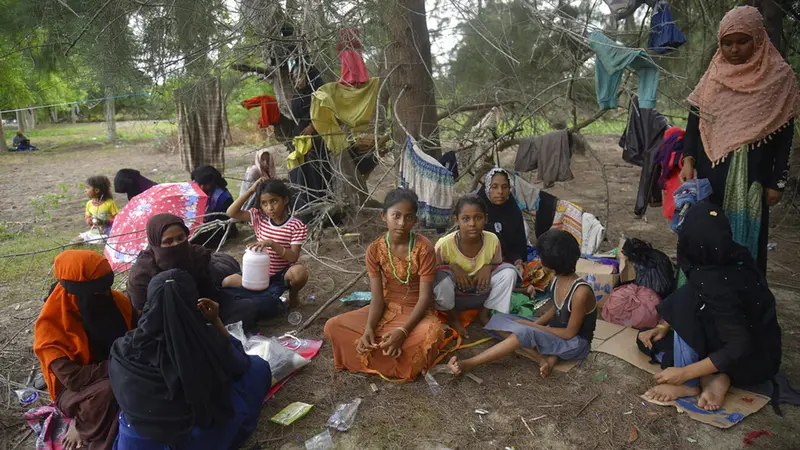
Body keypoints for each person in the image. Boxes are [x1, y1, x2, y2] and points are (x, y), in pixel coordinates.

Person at [678, 6, 799, 274]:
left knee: (743, 240)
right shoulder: (713, 76)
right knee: (706, 231)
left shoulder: (780, 78)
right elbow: (694, 122)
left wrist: (777, 181)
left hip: (751, 178)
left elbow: (785, 135)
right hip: (710, 175)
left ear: (758, 38)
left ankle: (743, 298)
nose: (734, 49)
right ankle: (702, 295)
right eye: (728, 43)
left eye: (742, 41)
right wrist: (688, 160)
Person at [640, 202, 781, 411]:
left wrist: (683, 373)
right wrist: (663, 326)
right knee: (678, 311)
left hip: (746, 362)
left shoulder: (713, 282)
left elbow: (738, 345)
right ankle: (715, 376)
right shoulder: (735, 254)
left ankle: (689, 386)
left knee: (682, 311)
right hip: (765, 353)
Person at [110, 270, 271, 449]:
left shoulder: (121, 348)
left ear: (150, 302)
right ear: (195, 301)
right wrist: (216, 320)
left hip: (136, 442)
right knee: (258, 368)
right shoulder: (206, 342)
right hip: (192, 441)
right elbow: (240, 362)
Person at [324, 188, 444, 381]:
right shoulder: (374, 250)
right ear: (383, 216)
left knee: (430, 334)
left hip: (416, 311)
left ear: (415, 220)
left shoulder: (424, 248)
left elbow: (425, 297)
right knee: (333, 326)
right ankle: (389, 354)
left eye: (408, 217)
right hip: (386, 308)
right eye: (396, 216)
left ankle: (383, 353)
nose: (401, 223)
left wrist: (404, 332)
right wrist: (369, 329)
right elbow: (378, 298)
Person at [447, 229, 596, 379]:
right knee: (498, 319)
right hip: (554, 330)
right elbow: (555, 309)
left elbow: (569, 333)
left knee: (523, 332)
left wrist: (532, 326)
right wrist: (535, 324)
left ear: (551, 266)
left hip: (575, 343)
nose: (538, 260)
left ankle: (470, 363)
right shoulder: (557, 278)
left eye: (540, 257)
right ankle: (543, 358)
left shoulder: (580, 293)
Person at [33, 250, 137, 450]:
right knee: (109, 390)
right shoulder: (51, 327)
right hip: (75, 390)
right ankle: (85, 429)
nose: (106, 295)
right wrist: (120, 366)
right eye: (97, 292)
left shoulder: (118, 303)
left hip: (120, 369)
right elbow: (73, 379)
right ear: (75, 293)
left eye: (107, 288)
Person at [433, 195, 517, 337]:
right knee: (440, 278)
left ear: (486, 218)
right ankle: (453, 318)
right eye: (466, 219)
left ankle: (485, 313)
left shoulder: (492, 239)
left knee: (509, 272)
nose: (472, 224)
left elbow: (498, 266)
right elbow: (434, 275)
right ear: (457, 220)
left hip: (482, 293)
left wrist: (488, 266)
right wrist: (453, 267)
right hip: (455, 298)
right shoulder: (444, 244)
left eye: (478, 218)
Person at [225, 179, 309, 310]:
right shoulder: (259, 218)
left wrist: (271, 244)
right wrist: (251, 190)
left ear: (285, 200)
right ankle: (259, 295)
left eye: (274, 201)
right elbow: (231, 213)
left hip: (280, 275)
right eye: (264, 203)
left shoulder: (296, 226)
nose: (270, 208)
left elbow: (293, 257)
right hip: (257, 273)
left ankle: (293, 296)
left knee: (299, 273)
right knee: (227, 282)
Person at [477, 168, 528, 270]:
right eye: (494, 187)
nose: (500, 192)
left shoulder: (513, 211)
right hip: (478, 265)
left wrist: (518, 261)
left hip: (508, 265)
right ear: (487, 188)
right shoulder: (476, 210)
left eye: (504, 187)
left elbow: (518, 244)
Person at [190, 165, 238, 248]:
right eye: (199, 184)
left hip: (217, 228)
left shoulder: (223, 198)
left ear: (212, 182)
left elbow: (222, 223)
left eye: (204, 184)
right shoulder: (196, 189)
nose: (201, 187)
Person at [73, 176, 119, 244]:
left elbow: (118, 219)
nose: (85, 190)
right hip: (93, 232)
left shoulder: (110, 203)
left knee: (100, 242)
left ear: (96, 190)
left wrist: (104, 222)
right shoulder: (89, 203)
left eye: (88, 188)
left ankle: (103, 241)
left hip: (106, 233)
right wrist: (89, 221)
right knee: (74, 241)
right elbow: (87, 216)